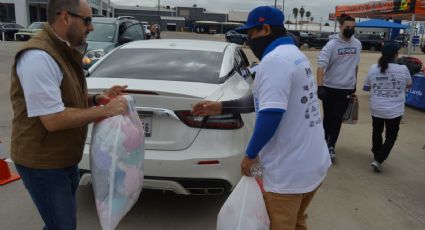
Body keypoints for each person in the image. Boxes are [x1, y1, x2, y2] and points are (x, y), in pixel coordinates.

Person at [192, 6, 331, 230]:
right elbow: (267, 102)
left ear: (265, 28)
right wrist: (220, 107)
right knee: (296, 222)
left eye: (251, 33)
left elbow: (271, 114)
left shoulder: (275, 61)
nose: (248, 40)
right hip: (312, 163)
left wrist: (250, 154)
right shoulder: (295, 55)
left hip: (287, 173)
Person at [10, 0, 128, 229]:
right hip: (42, 162)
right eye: (87, 20)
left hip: (62, 158)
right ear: (65, 17)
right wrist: (104, 111)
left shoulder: (61, 49)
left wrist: (97, 98)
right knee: (62, 226)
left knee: (57, 224)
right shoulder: (38, 57)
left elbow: (65, 95)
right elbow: (53, 119)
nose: (91, 27)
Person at [316, 14, 362, 162]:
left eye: (352, 28)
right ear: (340, 27)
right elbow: (321, 67)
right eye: (347, 27)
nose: (350, 30)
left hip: (346, 89)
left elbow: (355, 65)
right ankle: (322, 142)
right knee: (328, 117)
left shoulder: (357, 44)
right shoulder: (331, 45)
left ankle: (331, 146)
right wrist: (320, 86)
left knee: (337, 118)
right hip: (329, 88)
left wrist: (354, 83)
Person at [363, 42, 412, 172]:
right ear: (396, 55)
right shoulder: (403, 69)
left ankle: (376, 154)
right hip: (394, 111)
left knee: (377, 131)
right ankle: (378, 159)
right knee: (391, 136)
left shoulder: (373, 68)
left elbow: (366, 87)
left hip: (377, 107)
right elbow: (409, 84)